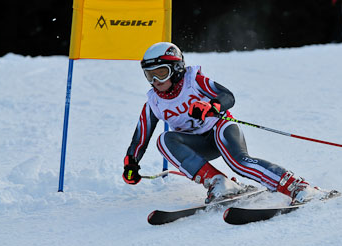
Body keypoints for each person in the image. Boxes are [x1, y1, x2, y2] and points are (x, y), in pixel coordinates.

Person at [123, 42, 328, 204]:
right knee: (164, 141)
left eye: (161, 73)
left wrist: (212, 106)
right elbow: (140, 138)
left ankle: (297, 186)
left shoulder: (194, 81)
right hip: (198, 144)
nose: (155, 81)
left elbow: (227, 96)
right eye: (150, 75)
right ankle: (219, 182)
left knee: (239, 162)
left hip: (220, 129)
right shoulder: (154, 102)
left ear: (176, 69)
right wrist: (131, 163)